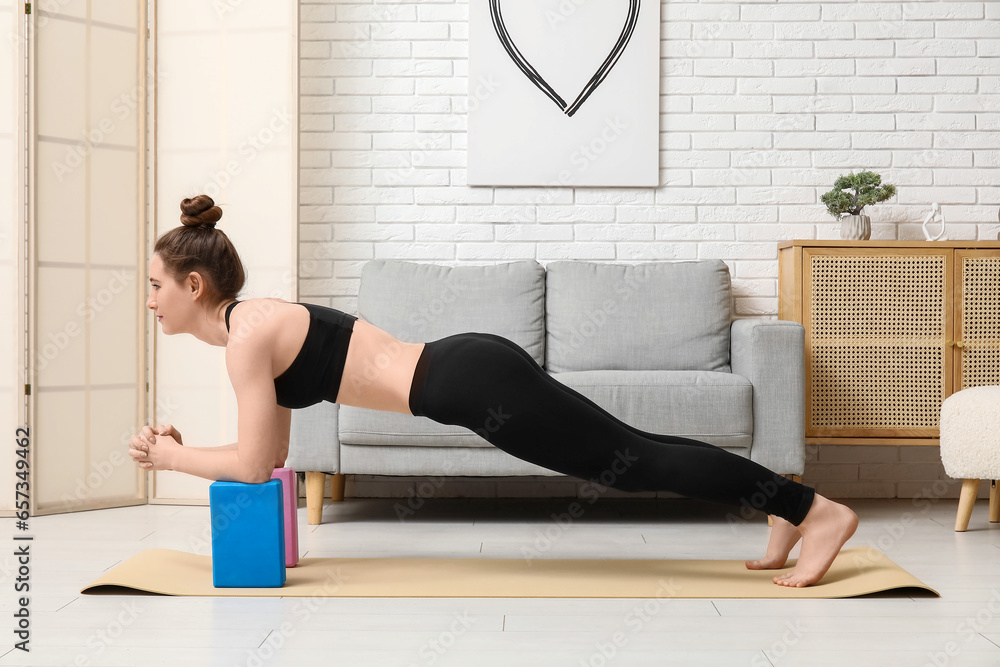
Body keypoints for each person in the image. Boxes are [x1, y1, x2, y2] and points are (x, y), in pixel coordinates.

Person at [129, 194, 858, 587]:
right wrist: (189, 454)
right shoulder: (254, 327)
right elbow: (274, 455)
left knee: (637, 465)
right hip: (470, 369)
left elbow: (254, 468)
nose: (152, 300)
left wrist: (168, 459)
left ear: (195, 285)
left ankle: (814, 509)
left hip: (474, 385)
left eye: (157, 286)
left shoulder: (248, 338)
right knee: (640, 450)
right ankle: (783, 510)